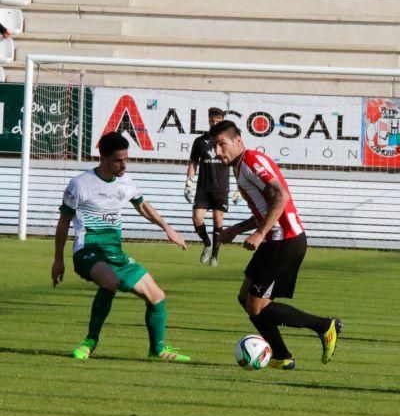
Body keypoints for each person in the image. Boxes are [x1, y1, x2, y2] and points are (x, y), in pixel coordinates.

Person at [210, 120, 343, 370]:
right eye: (214, 147)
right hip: (275, 241)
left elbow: (281, 196)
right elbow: (265, 207)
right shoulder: (241, 166)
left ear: (237, 139)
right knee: (245, 298)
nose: (218, 152)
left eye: (221, 144)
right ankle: (282, 355)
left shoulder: (251, 161)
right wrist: (237, 229)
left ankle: (325, 326)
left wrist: (260, 234)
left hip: (285, 240)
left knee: (256, 305)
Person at [51, 131, 191, 363]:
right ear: (103, 159)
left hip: (115, 255)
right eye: (118, 160)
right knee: (111, 282)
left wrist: (168, 228)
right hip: (88, 251)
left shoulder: (126, 182)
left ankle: (158, 349)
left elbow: (143, 206)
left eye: (126, 159)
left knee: (157, 296)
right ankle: (90, 342)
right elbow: (64, 222)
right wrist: (58, 259)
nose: (124, 164)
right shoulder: (80, 184)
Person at [184, 107, 230, 267]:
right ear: (209, 120)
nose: (215, 123)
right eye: (212, 121)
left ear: (222, 121)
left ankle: (215, 256)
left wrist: (240, 187)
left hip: (221, 188)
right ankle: (207, 244)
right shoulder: (200, 141)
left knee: (218, 220)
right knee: (197, 219)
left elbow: (236, 162)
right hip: (203, 188)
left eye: (218, 121)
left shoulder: (228, 141)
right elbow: (193, 162)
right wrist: (189, 182)